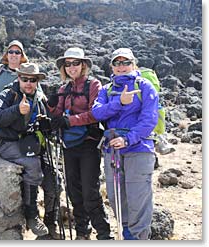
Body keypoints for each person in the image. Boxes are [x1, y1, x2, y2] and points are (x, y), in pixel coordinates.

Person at [92, 48, 159, 240]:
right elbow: (97, 113)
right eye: (117, 63)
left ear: (133, 64)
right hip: (113, 150)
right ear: (112, 66)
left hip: (138, 149)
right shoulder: (107, 89)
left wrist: (128, 139)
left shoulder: (145, 86)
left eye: (126, 62)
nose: (121, 67)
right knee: (116, 197)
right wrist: (119, 103)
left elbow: (149, 120)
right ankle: (128, 235)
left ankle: (138, 239)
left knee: (138, 198)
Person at [48, 47, 113, 240]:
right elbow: (57, 115)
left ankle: (103, 234)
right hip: (69, 145)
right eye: (67, 64)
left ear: (83, 65)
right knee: (73, 190)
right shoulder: (63, 89)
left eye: (75, 63)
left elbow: (95, 113)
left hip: (89, 144)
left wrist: (70, 121)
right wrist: (51, 106)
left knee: (90, 191)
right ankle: (82, 232)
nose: (71, 67)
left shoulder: (94, 85)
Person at [0, 62, 52, 237]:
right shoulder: (8, 93)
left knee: (53, 178)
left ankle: (51, 226)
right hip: (8, 143)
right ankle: (32, 216)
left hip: (30, 143)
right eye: (24, 79)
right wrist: (17, 110)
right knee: (33, 165)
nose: (28, 83)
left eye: (33, 80)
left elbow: (48, 119)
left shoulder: (40, 98)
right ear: (18, 78)